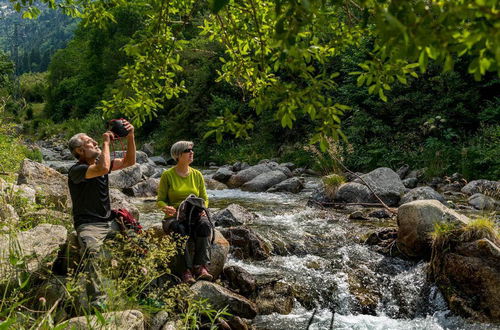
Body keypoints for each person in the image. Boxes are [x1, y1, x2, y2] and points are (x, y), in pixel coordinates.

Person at [67, 120, 136, 306]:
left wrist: (130, 136)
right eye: (90, 142)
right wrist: (106, 142)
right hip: (89, 224)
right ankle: (97, 301)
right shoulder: (77, 170)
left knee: (138, 243)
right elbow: (103, 168)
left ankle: (137, 291)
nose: (95, 142)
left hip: (108, 220)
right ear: (80, 151)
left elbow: (130, 161)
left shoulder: (101, 163)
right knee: (90, 251)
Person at [157, 140, 213, 284]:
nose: (192, 153)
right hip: (174, 216)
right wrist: (166, 208)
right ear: (178, 155)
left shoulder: (197, 175)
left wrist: (203, 210)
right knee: (179, 230)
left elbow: (205, 198)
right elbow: (160, 200)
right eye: (188, 151)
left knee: (205, 226)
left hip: (194, 213)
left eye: (192, 150)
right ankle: (185, 271)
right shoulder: (167, 175)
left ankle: (201, 267)